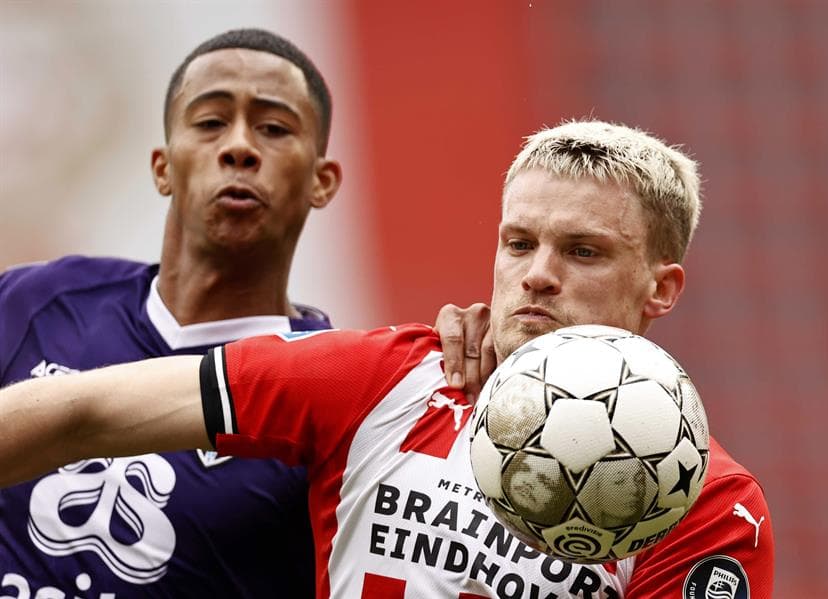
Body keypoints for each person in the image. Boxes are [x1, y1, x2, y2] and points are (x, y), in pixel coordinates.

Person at [0, 120, 775, 597]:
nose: (538, 272)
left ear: (661, 286)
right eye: (518, 242)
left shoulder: (705, 500)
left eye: (583, 250)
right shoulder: (384, 378)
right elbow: (87, 410)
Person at [0, 28, 488, 598]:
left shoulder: (339, 399)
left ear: (322, 181)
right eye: (209, 123)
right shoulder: (34, 301)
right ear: (162, 167)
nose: (239, 148)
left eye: (274, 128)